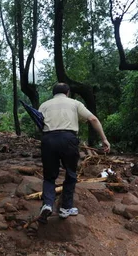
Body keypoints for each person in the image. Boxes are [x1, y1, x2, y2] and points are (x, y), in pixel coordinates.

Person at [37, 82, 110, 224]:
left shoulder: (44, 105)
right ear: (68, 92)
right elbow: (92, 119)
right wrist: (104, 139)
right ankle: (66, 208)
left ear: (53, 93)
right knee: (70, 173)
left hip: (48, 139)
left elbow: (39, 124)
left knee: (49, 177)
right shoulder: (75, 103)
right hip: (68, 139)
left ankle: (47, 204)